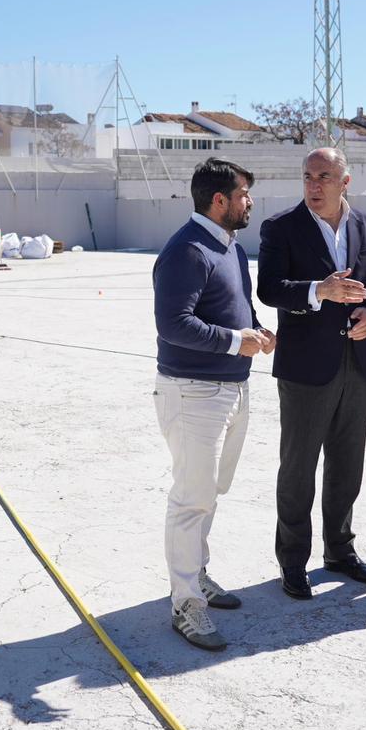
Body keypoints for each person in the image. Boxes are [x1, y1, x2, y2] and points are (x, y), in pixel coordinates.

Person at [256, 147, 366, 600]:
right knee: (298, 469)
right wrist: (320, 290)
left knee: (347, 464)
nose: (313, 185)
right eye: (307, 177)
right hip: (304, 370)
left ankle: (340, 550)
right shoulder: (280, 227)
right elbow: (269, 288)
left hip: (358, 364)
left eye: (323, 176)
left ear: (345, 182)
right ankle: (293, 562)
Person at [153, 157, 275, 651]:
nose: (250, 202)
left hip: (231, 388)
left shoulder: (230, 248)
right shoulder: (186, 250)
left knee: (211, 491)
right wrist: (234, 341)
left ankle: (196, 575)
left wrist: (256, 332)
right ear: (219, 200)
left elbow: (235, 310)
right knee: (191, 498)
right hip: (194, 392)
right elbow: (173, 324)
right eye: (245, 194)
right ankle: (186, 605)